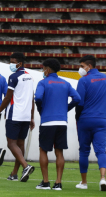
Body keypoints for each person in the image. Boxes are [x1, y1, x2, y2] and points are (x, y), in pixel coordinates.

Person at [34, 59, 81, 190]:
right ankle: (58, 182)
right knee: (59, 152)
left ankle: (45, 182)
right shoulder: (65, 83)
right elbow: (77, 98)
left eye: (43, 69)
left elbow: (37, 97)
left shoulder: (43, 82)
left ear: (47, 69)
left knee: (43, 149)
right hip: (62, 121)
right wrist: (66, 108)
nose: (43, 71)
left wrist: (40, 109)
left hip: (48, 121)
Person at [0, 53, 36, 182]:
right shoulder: (29, 77)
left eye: (13, 62)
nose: (10, 64)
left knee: (11, 144)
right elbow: (31, 99)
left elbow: (8, 97)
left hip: (15, 114)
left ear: (20, 63)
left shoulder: (13, 77)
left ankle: (26, 166)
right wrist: (32, 117)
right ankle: (14, 173)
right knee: (20, 144)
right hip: (26, 115)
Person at [75, 55, 106, 191]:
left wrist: (77, 117)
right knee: (101, 150)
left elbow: (80, 102)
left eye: (81, 66)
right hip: (101, 119)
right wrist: (105, 118)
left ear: (88, 66)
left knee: (84, 151)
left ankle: (84, 182)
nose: (80, 69)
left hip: (85, 119)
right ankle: (103, 178)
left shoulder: (83, 81)